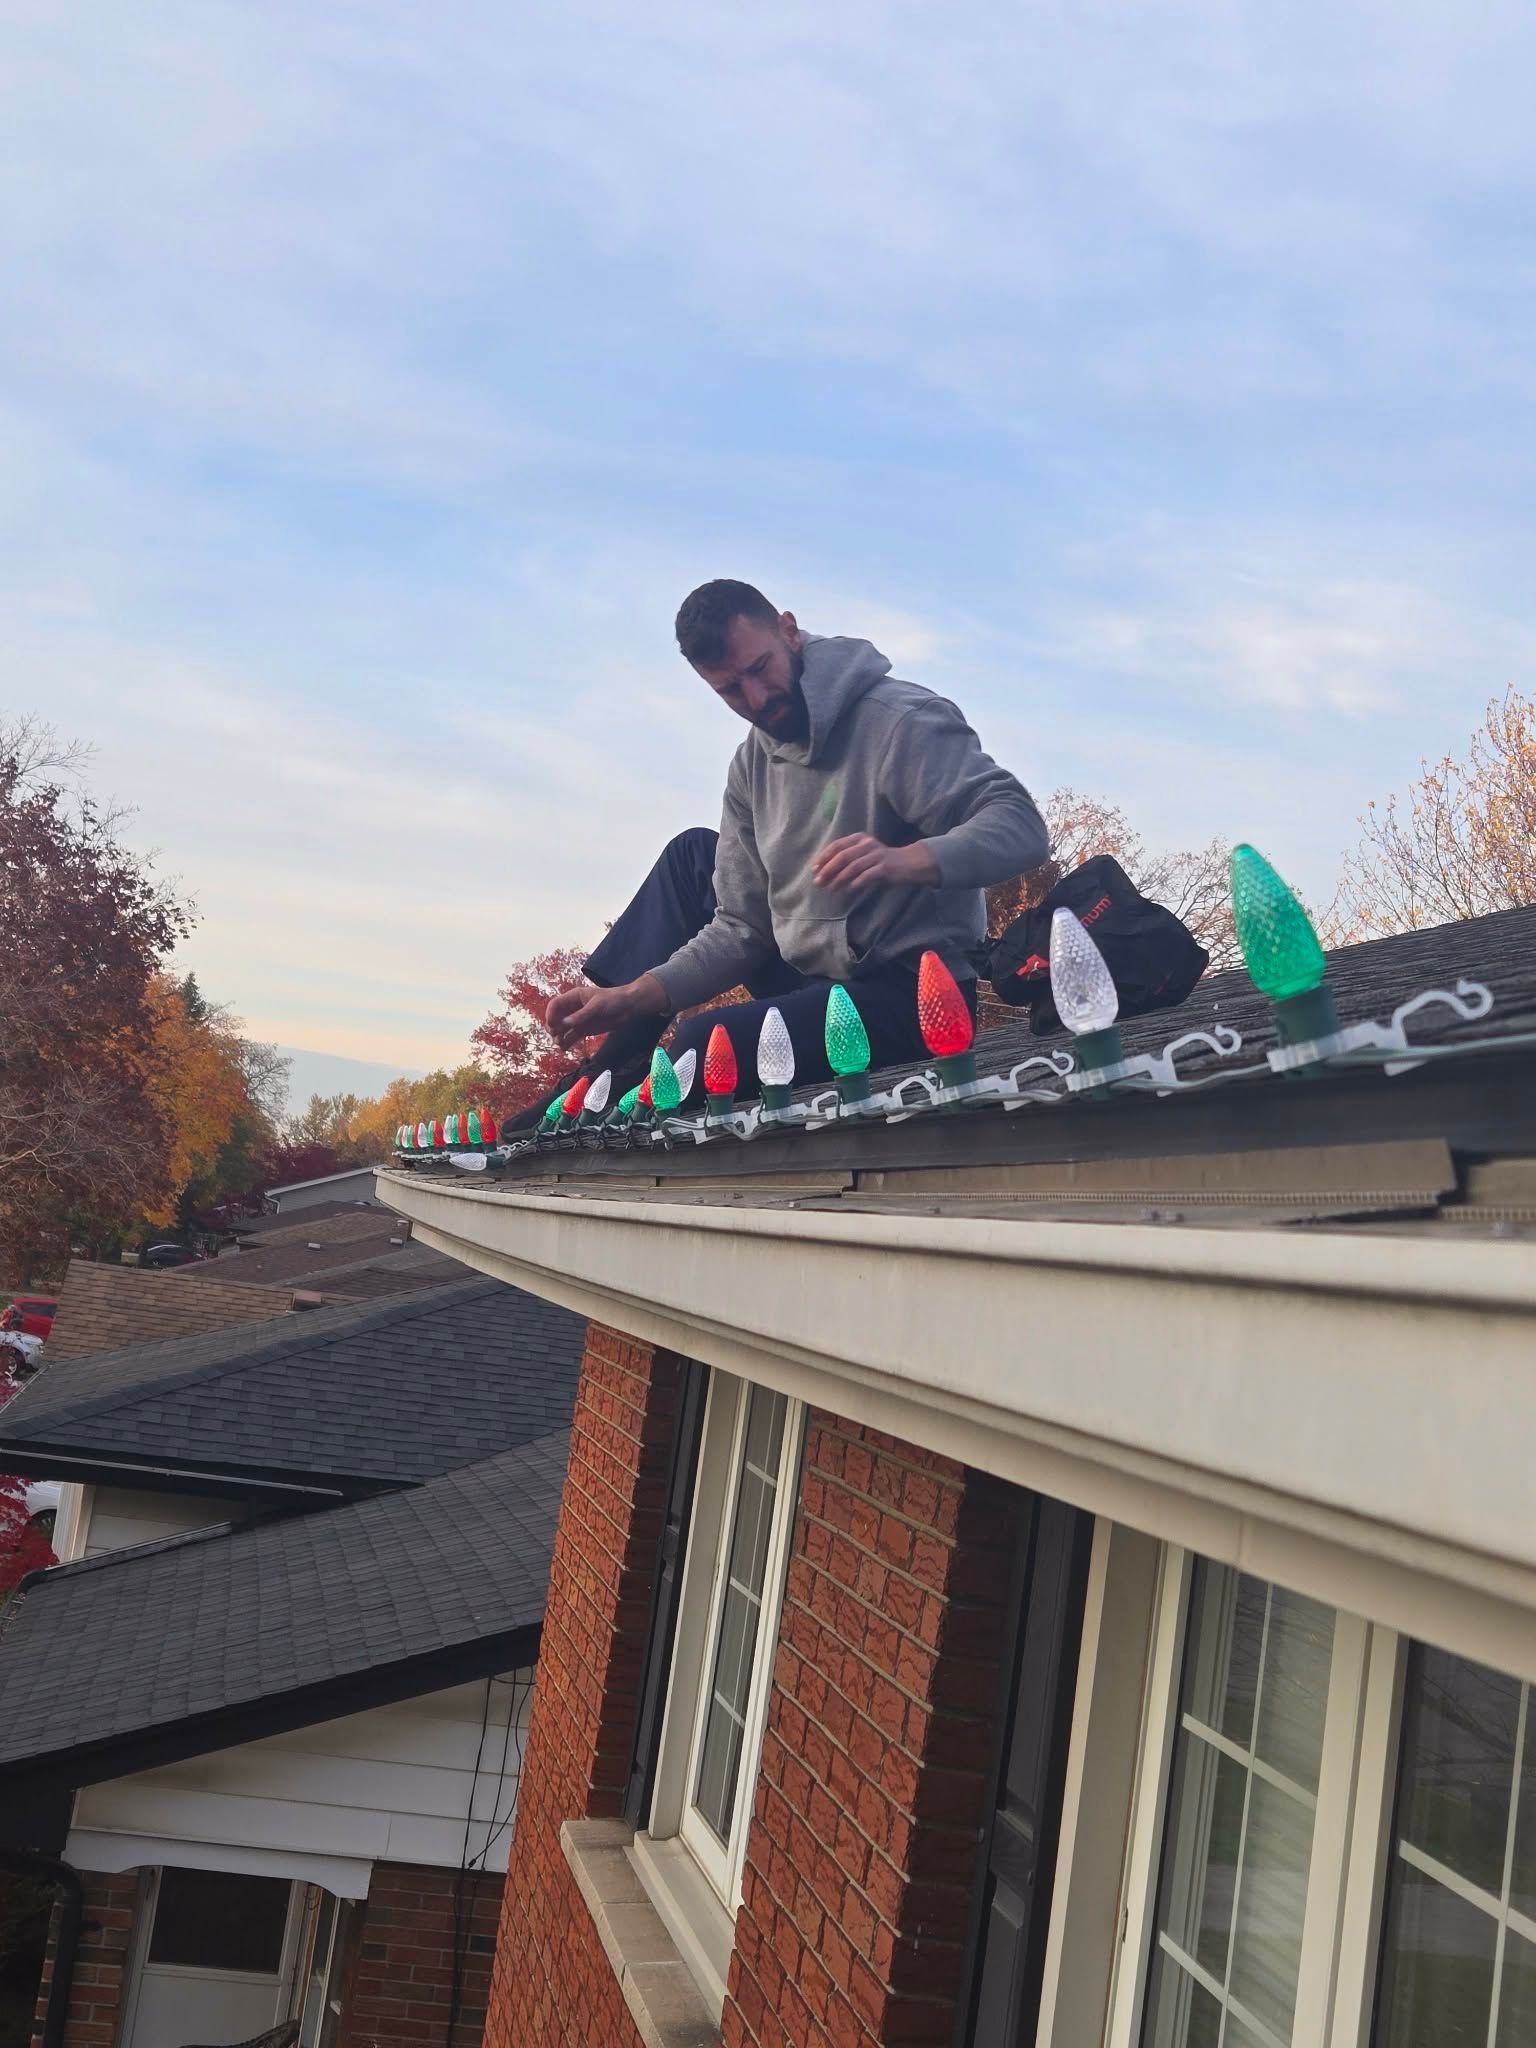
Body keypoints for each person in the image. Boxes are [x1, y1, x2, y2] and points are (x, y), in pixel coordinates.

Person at [536, 579, 1049, 1116]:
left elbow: (1020, 826)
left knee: (698, 1050)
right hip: (819, 982)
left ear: (789, 630)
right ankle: (601, 1075)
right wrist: (633, 996)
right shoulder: (749, 767)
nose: (755, 700)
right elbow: (741, 928)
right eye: (730, 691)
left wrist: (909, 861)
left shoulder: (898, 721)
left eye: (760, 670)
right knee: (693, 855)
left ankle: (609, 1106)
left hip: (915, 993)